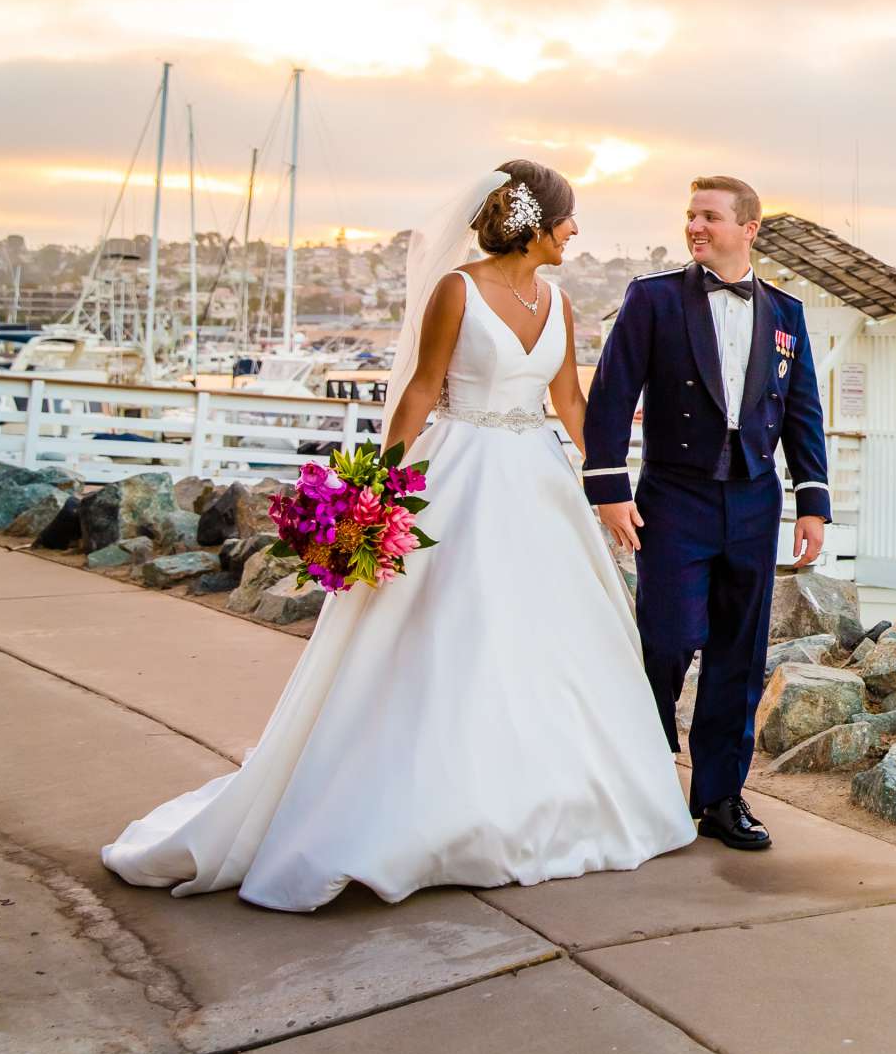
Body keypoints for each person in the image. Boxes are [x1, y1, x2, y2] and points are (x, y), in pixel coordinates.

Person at [101, 163, 696, 911]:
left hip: (538, 483)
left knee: (553, 637)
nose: (577, 232)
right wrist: (376, 487)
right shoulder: (459, 289)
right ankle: (432, 809)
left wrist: (607, 481)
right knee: (453, 633)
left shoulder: (561, 302)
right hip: (460, 475)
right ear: (534, 223)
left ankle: (554, 799)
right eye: (569, 219)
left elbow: (569, 399)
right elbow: (421, 388)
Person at [581, 176, 830, 851]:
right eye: (690, 215)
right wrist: (608, 489)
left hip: (754, 502)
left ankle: (720, 798)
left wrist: (814, 501)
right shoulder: (653, 298)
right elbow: (608, 399)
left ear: (748, 229)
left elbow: (801, 412)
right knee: (665, 640)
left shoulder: (785, 313)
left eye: (709, 216)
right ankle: (646, 778)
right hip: (674, 498)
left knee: (739, 656)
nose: (695, 226)